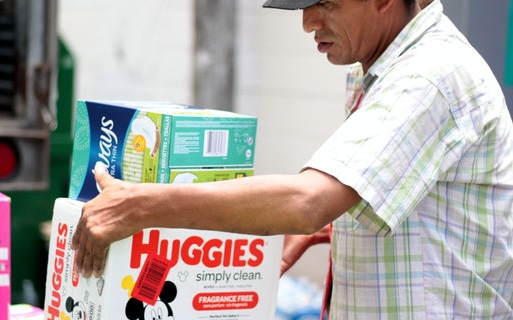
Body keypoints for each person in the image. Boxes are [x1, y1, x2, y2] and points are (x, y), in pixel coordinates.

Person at [71, 0, 513, 318]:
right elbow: (385, 187)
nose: (307, 23)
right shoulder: (378, 69)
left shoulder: (428, 75)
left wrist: (141, 206)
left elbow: (307, 200)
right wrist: (334, 223)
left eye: (324, 3)